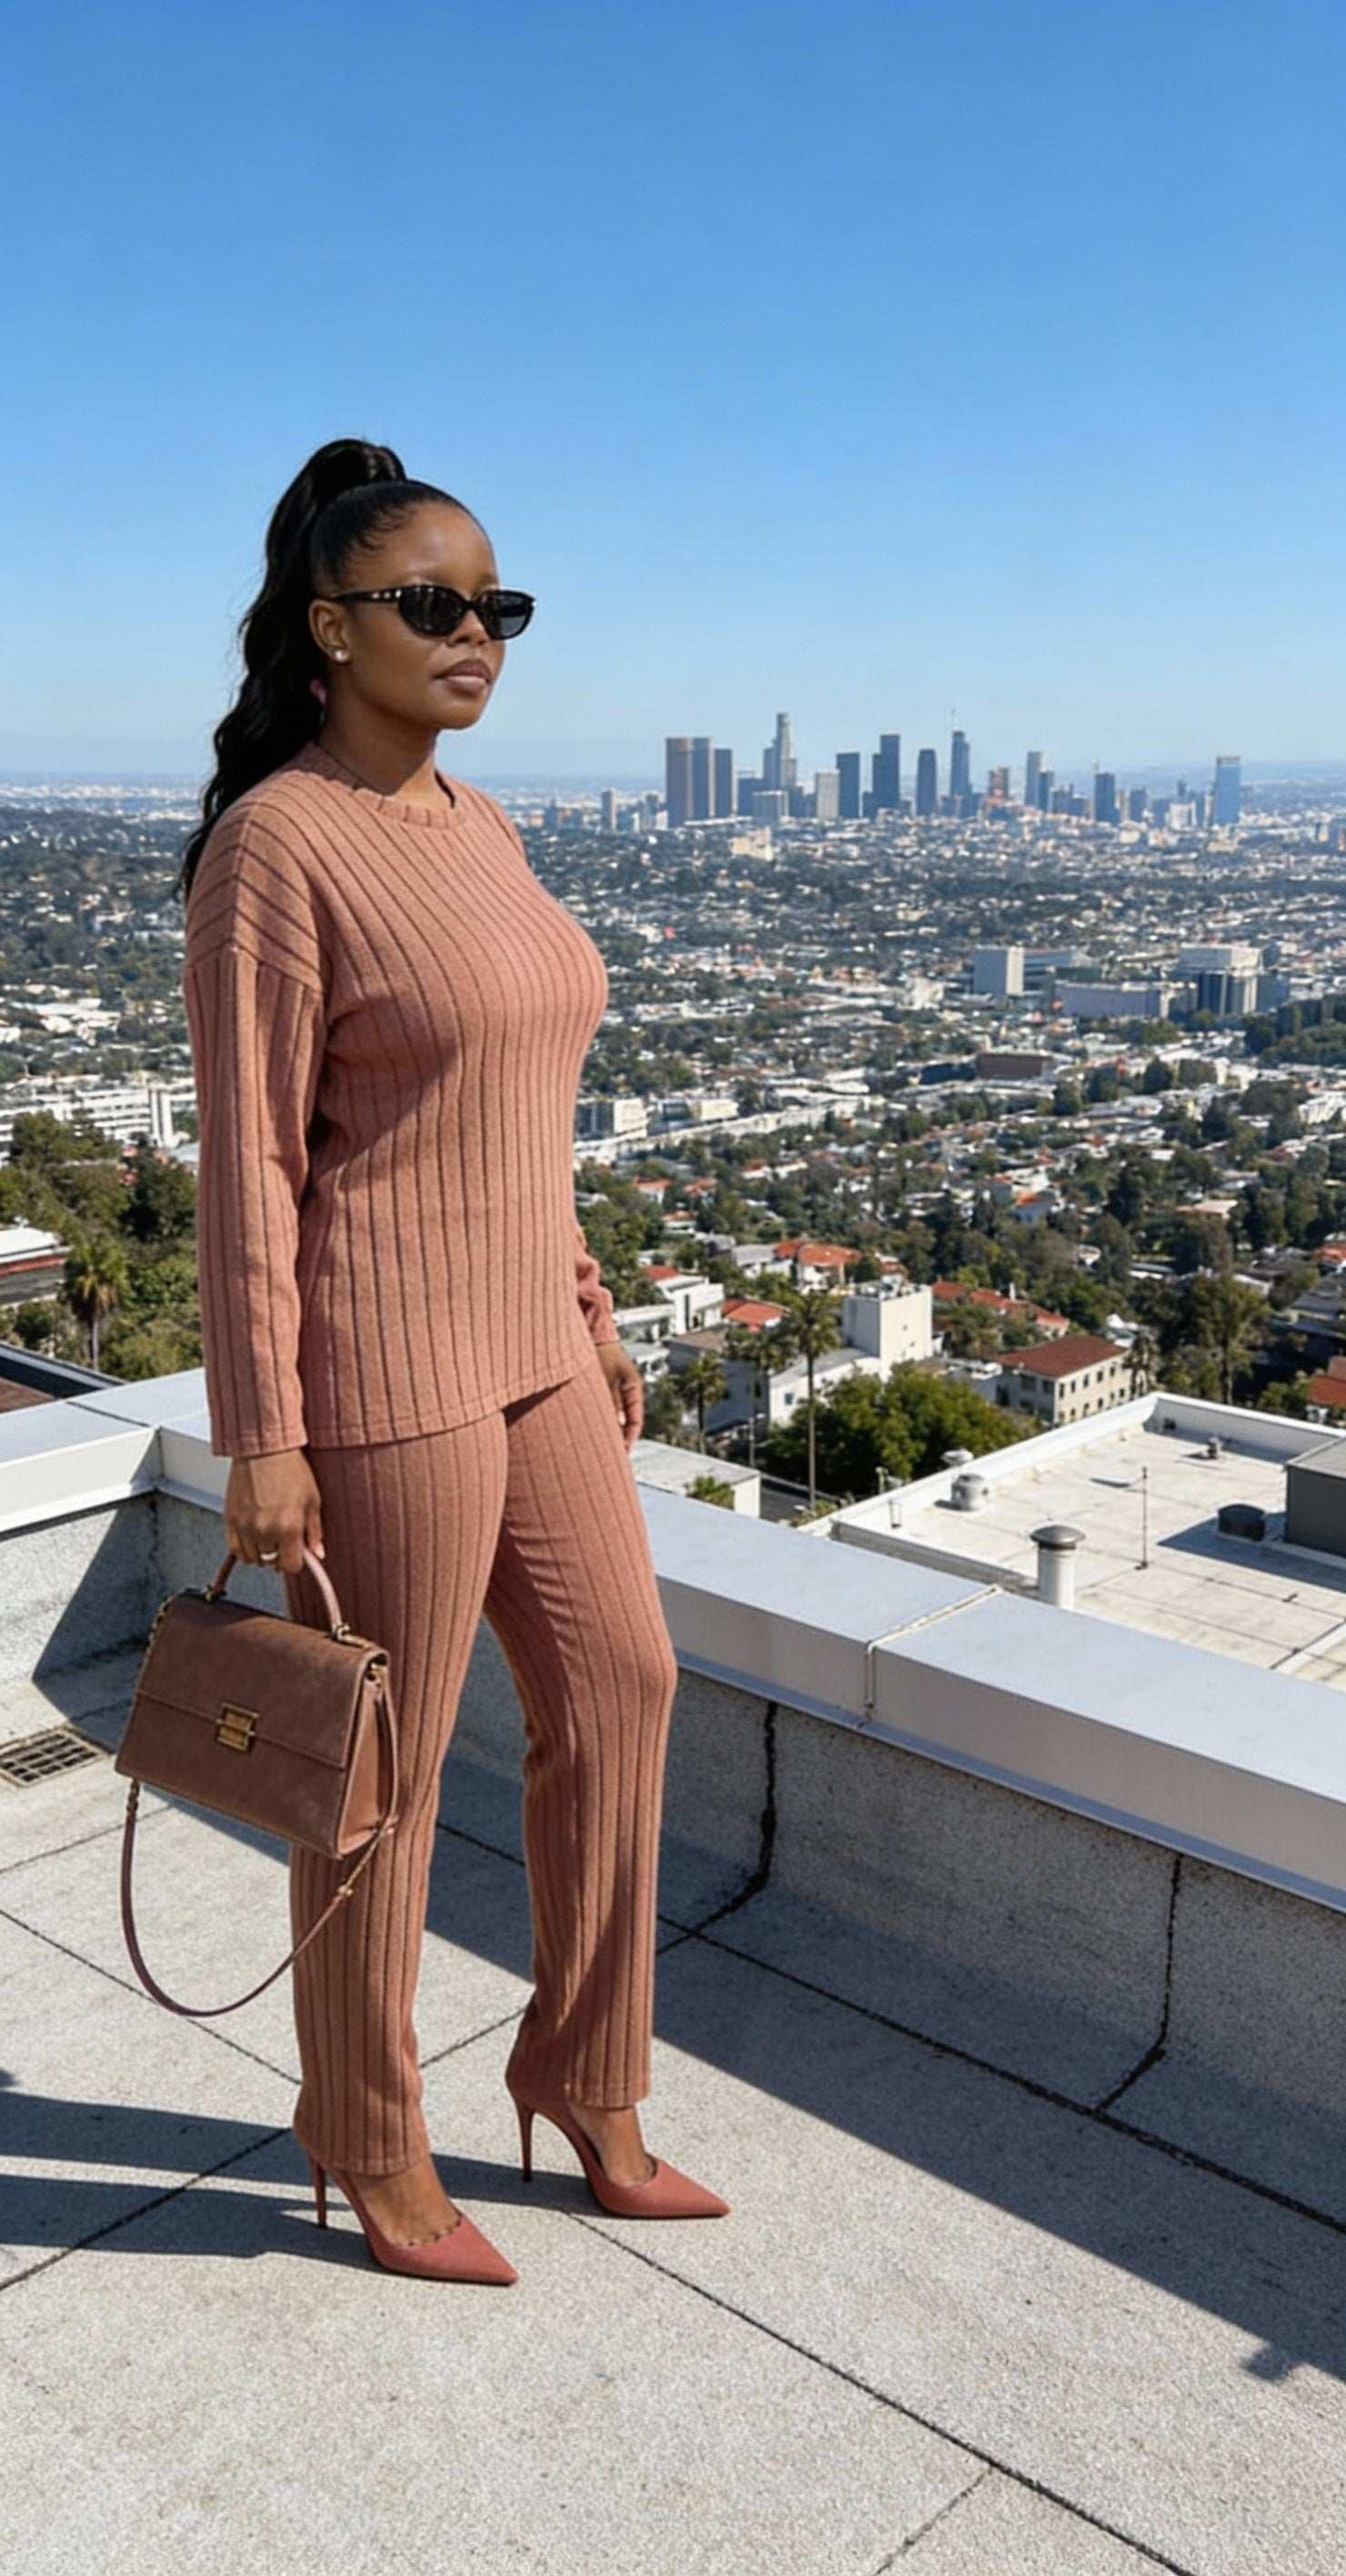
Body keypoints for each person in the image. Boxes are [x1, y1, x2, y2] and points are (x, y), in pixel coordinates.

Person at [177, 435, 728, 2281]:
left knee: (622, 1689)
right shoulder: (276, 847)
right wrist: (264, 1436)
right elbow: (250, 1164)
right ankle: (362, 2127)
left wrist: (584, 1300)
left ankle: (583, 2071)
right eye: (435, 605)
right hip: (381, 1371)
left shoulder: (478, 823)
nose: (477, 634)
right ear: (331, 629)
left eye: (500, 606)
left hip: (533, 1346)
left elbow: (519, 1104)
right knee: (382, 1777)